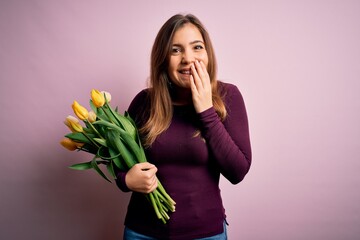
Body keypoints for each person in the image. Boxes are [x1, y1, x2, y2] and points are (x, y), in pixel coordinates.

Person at [116, 13, 252, 240]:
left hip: (205, 234)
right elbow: (118, 159)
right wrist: (125, 180)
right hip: (143, 233)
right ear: (163, 59)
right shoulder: (144, 102)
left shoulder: (228, 96)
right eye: (175, 50)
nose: (188, 58)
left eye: (197, 47)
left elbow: (238, 172)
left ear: (208, 53)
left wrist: (206, 110)